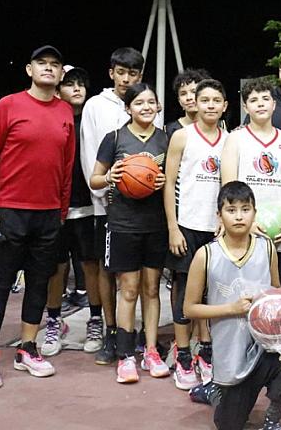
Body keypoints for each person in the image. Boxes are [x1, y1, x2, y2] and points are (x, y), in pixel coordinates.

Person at [0, 45, 75, 390]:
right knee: (1, 282)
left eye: (55, 65)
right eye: (42, 63)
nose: (49, 69)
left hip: (48, 214)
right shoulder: (8, 105)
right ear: (29, 70)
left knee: (38, 283)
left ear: (61, 74)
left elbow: (66, 165)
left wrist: (61, 210)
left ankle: (27, 348)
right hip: (9, 211)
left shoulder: (64, 111)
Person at [183, 181, 281, 430]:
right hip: (231, 356)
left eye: (245, 209)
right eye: (231, 210)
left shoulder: (267, 247)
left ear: (254, 213)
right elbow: (189, 309)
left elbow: (275, 291)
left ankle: (271, 421)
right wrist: (232, 309)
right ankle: (214, 391)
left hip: (265, 348)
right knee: (229, 425)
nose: (239, 216)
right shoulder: (206, 255)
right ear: (219, 216)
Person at [80, 47, 162, 365]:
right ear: (111, 71)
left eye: (133, 73)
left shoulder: (162, 135)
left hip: (148, 215)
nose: (127, 78)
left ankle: (144, 342)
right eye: (121, 72)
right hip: (111, 207)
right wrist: (103, 192)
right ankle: (113, 334)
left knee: (148, 283)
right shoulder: (96, 107)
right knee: (111, 273)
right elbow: (92, 161)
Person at [90, 83, 169, 383]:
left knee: (152, 289)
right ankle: (125, 355)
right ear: (128, 108)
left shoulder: (166, 139)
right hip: (123, 224)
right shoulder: (114, 139)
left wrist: (163, 182)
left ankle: (150, 350)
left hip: (156, 224)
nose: (146, 107)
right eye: (139, 103)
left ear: (158, 106)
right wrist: (110, 176)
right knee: (130, 289)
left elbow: (174, 180)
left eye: (151, 102)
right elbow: (94, 179)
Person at [164, 78, 228, 389]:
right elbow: (168, 184)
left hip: (215, 228)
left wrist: (224, 221)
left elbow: (228, 187)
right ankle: (184, 355)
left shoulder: (230, 140)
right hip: (186, 225)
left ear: (225, 106)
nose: (211, 105)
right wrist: (173, 227)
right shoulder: (181, 136)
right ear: (195, 104)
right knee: (183, 290)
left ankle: (206, 350)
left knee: (210, 291)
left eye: (217, 100)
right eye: (205, 100)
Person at [41, 67, 104, 357]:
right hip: (56, 207)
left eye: (81, 83)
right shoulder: (52, 119)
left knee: (90, 265)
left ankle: (95, 319)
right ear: (58, 89)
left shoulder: (94, 119)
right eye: (70, 84)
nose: (77, 88)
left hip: (90, 206)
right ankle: (53, 320)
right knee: (57, 268)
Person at [221, 78, 281, 284]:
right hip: (244, 227)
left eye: (265, 98)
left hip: (280, 230)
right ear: (245, 106)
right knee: (242, 290)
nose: (260, 103)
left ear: (274, 104)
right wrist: (248, 223)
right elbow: (228, 187)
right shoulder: (235, 139)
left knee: (274, 291)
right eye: (254, 99)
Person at [165, 68, 211, 133]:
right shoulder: (169, 129)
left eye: (194, 92)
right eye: (183, 94)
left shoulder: (219, 125)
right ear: (179, 100)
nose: (189, 97)